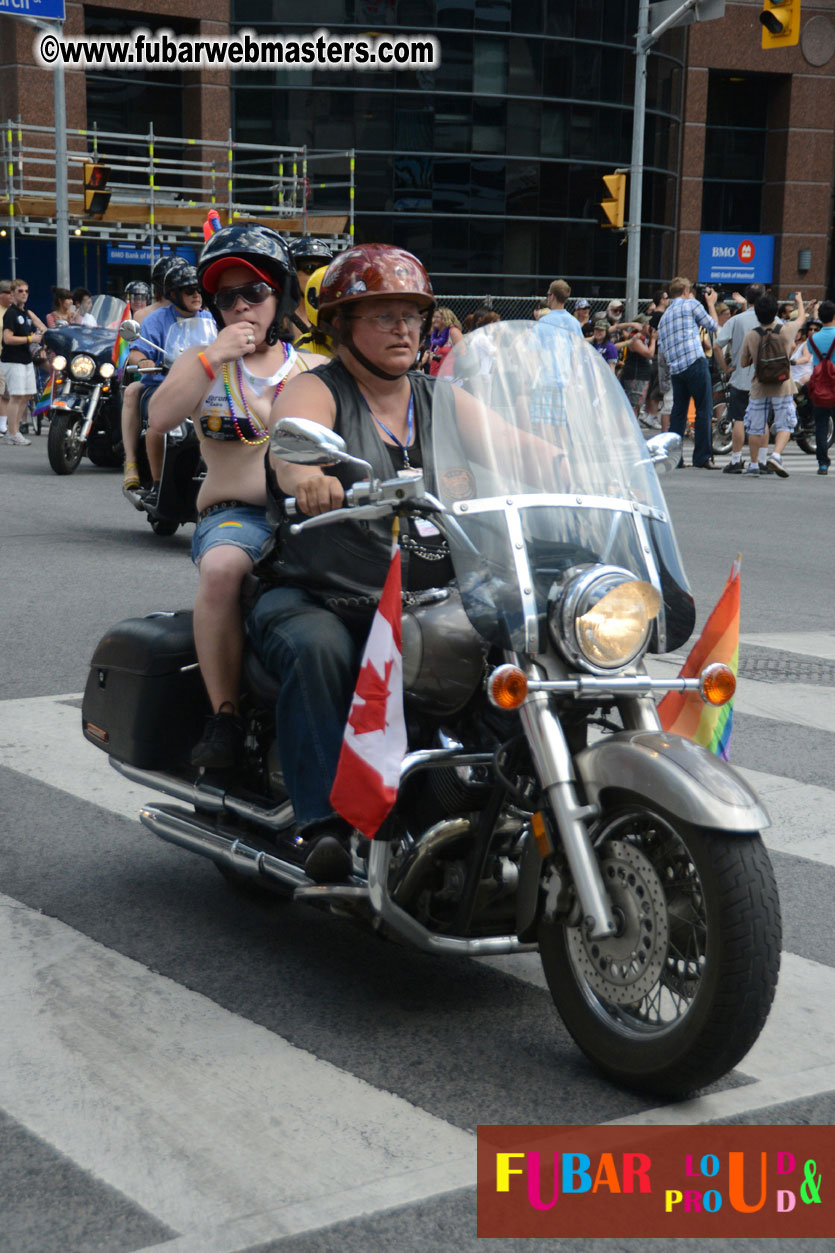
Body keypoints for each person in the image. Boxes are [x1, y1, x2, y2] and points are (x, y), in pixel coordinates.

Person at [248, 243, 442, 883]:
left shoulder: (435, 397)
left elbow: (519, 446)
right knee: (319, 648)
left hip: (420, 600)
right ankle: (323, 825)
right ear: (339, 326)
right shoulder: (316, 387)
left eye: (411, 315)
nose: (403, 328)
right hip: (315, 592)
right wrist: (306, 474)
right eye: (382, 315)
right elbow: (291, 444)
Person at [148, 223, 307, 769]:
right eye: (226, 296)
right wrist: (211, 356)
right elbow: (160, 417)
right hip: (236, 517)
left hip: (311, 518)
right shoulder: (203, 364)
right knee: (220, 570)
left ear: (279, 297)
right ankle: (225, 716)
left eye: (255, 292)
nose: (241, 306)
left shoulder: (313, 370)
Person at [121, 260, 211, 493]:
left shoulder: (211, 320)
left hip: (205, 390)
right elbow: (137, 352)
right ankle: (158, 483)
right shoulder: (157, 319)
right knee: (157, 426)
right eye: (189, 290)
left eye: (199, 289)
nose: (196, 295)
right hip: (164, 386)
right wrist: (143, 361)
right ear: (173, 294)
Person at [656, 276, 719, 468]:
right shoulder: (691, 304)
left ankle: (676, 458)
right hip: (694, 361)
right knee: (703, 410)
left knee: (678, 413)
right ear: (685, 292)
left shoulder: (664, 317)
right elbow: (713, 325)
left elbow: (662, 349)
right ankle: (702, 457)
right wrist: (711, 304)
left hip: (676, 369)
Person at [739, 292, 800, 478]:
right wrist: (799, 302)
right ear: (775, 312)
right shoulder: (786, 329)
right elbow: (802, 319)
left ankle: (754, 464)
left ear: (757, 313)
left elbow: (743, 362)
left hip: (760, 386)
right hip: (783, 385)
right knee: (784, 424)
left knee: (756, 426)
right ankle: (776, 455)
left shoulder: (752, 335)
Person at [713, 283, 765, 474]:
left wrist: (726, 367)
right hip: (764, 378)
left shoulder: (737, 320)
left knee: (739, 419)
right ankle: (761, 460)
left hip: (740, 375)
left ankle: (736, 459)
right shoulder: (771, 319)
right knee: (762, 420)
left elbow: (717, 346)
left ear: (747, 298)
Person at [1, 278, 46, 446]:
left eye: (26, 291)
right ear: (12, 294)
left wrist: (41, 332)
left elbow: (42, 327)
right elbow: (7, 338)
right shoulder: (11, 314)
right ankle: (11, 432)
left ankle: (15, 429)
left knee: (27, 395)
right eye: (20, 291)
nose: (24, 294)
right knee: (16, 395)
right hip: (13, 360)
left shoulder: (26, 313)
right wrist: (30, 338)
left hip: (26, 360)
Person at [287, 236, 334, 341]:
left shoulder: (334, 316)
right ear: (292, 274)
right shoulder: (278, 318)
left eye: (322, 269)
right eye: (309, 268)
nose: (317, 276)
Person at [807, 300, 835, 476]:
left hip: (819, 387)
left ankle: (822, 464)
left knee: (821, 424)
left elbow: (811, 355)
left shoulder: (812, 339)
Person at [619, 314, 656, 415]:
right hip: (636, 377)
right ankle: (631, 428)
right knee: (634, 405)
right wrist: (653, 340)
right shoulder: (635, 340)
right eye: (647, 324)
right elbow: (649, 354)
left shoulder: (642, 339)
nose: (650, 327)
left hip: (641, 376)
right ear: (641, 326)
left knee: (637, 405)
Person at [421, 306, 463, 376]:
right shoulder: (436, 334)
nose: (433, 320)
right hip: (435, 375)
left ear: (445, 318)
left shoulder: (453, 331)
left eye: (437, 317)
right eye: (433, 317)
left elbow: (463, 354)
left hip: (450, 376)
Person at [0, 280, 12, 438]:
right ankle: (2, 425)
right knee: (1, 390)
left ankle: (5, 423)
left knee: (9, 392)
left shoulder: (14, 312)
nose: (12, 296)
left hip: (11, 356)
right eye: (9, 293)